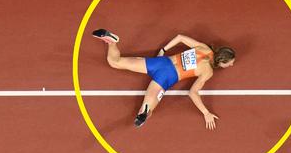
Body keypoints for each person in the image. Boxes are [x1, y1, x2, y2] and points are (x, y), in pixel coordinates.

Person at [92, 29, 236, 129]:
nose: (232, 65)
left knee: (115, 62)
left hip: (162, 62)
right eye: (230, 63)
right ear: (222, 61)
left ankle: (113, 42)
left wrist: (164, 49)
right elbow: (192, 92)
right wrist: (206, 113)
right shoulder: (208, 71)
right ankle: (145, 112)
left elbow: (180, 37)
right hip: (166, 77)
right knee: (145, 111)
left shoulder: (204, 48)